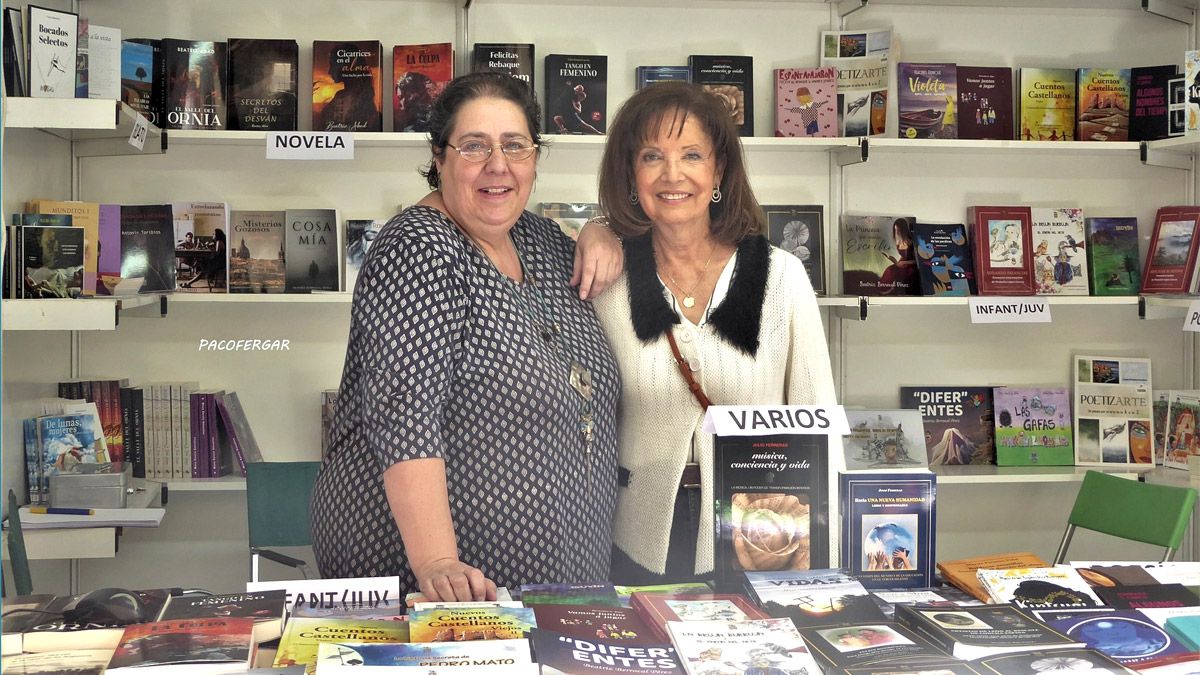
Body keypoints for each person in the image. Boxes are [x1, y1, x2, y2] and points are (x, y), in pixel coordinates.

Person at [310, 72, 624, 602]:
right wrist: (437, 561)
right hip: (437, 585)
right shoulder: (419, 247)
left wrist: (603, 227)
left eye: (515, 146)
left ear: (535, 158)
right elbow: (404, 412)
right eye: (474, 146)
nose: (497, 165)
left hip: (551, 583)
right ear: (439, 157)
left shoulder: (537, 238)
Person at [592, 82, 840, 584]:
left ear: (718, 170)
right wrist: (594, 226)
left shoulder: (781, 277)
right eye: (651, 157)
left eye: (691, 155)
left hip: (762, 534)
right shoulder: (607, 283)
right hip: (634, 537)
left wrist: (823, 544)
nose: (673, 174)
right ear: (630, 174)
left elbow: (818, 423)